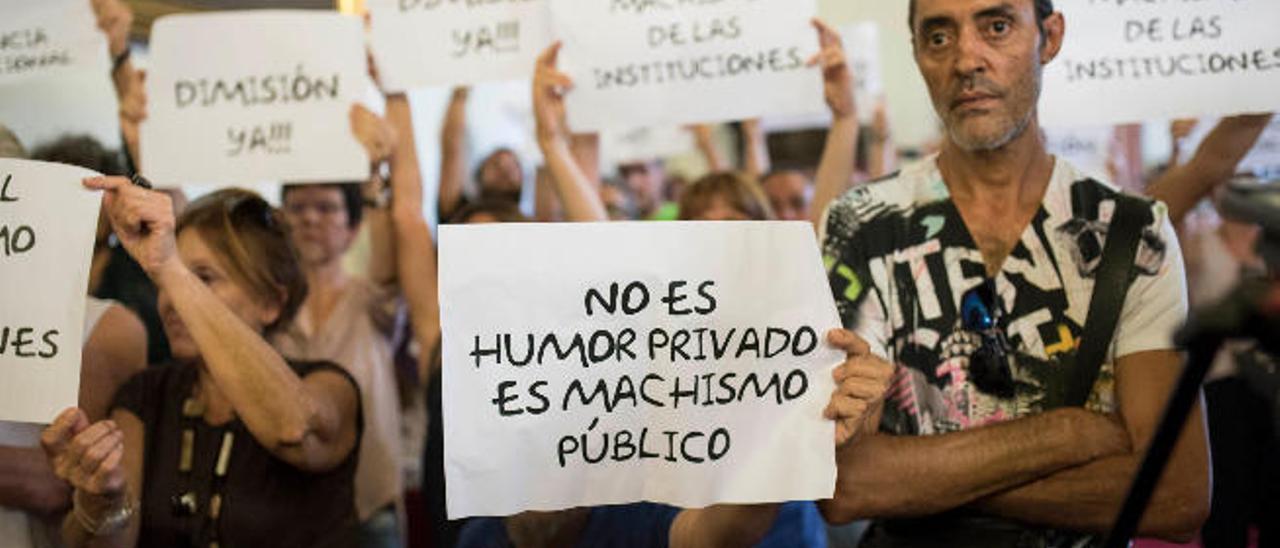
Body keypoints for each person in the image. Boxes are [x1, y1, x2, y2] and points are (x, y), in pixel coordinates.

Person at [818, 1, 1210, 546]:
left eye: (996, 27)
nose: (965, 59)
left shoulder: (1130, 232)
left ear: (1048, 37)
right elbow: (845, 485)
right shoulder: (862, 225)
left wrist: (919, 481)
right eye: (938, 37)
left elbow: (1177, 492)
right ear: (916, 56)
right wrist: (1066, 433)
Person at [41, 183, 362, 547]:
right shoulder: (146, 394)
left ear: (271, 302)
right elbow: (113, 540)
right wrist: (101, 501)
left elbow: (292, 426)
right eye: (163, 281)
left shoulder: (332, 386)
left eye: (204, 278)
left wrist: (171, 267)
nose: (170, 300)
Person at [275, 102, 409, 548]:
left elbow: (389, 268)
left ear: (352, 229)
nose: (311, 218)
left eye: (327, 208)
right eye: (297, 208)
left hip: (368, 505)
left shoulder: (370, 298)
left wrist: (373, 179)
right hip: (284, 504)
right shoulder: (267, 307)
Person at [438, 87, 526, 223]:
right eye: (495, 163)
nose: (504, 168)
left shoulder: (531, 221)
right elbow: (452, 147)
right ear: (479, 175)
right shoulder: (458, 208)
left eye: (513, 165)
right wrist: (460, 94)